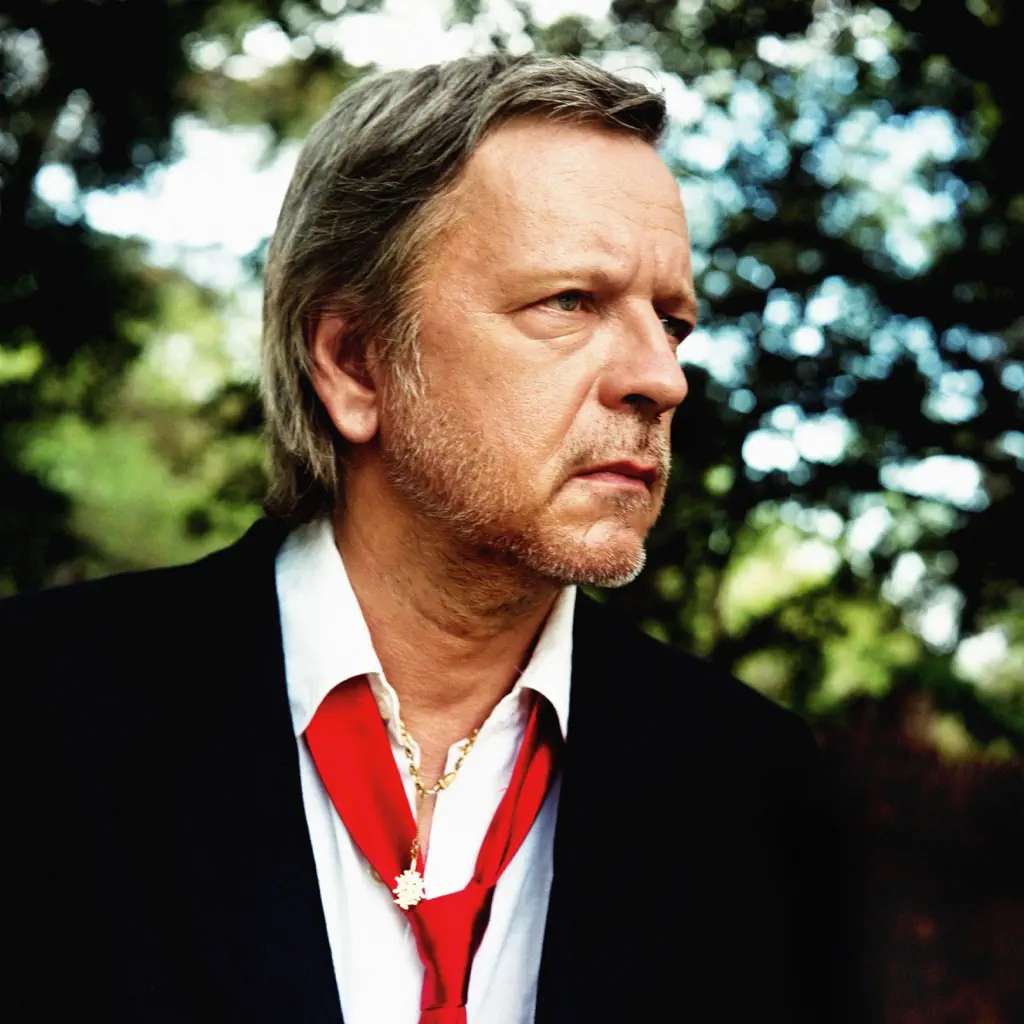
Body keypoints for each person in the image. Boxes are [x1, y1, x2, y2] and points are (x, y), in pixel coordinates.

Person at [4, 55, 869, 1023]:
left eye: (672, 324)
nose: (661, 379)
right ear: (354, 362)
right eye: (569, 302)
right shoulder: (37, 716)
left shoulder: (752, 783)